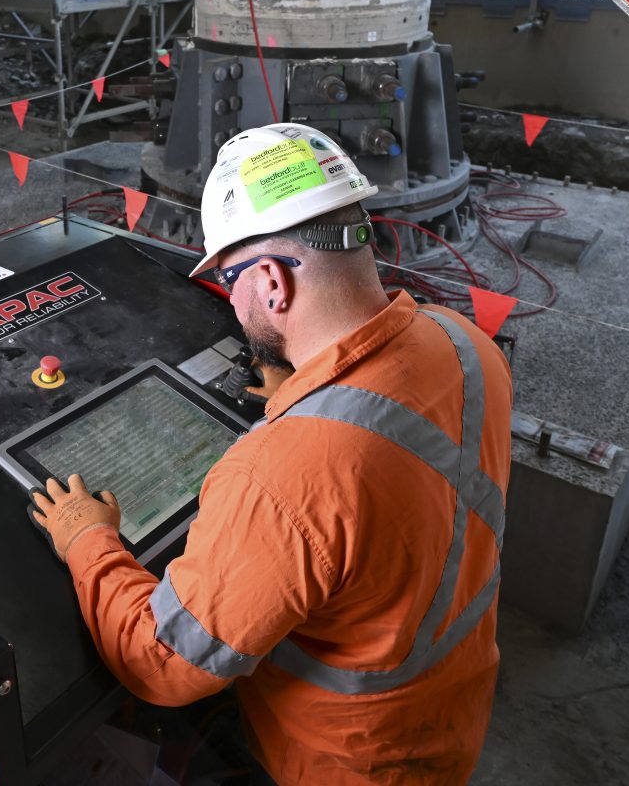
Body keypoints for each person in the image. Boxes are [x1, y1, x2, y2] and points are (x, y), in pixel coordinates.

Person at [28, 124, 513, 784]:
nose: (231, 299)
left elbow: (163, 664)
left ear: (272, 283)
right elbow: (397, 446)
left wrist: (87, 541)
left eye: (230, 278)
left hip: (349, 759)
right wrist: (310, 388)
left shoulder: (281, 475)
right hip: (451, 710)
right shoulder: (465, 344)